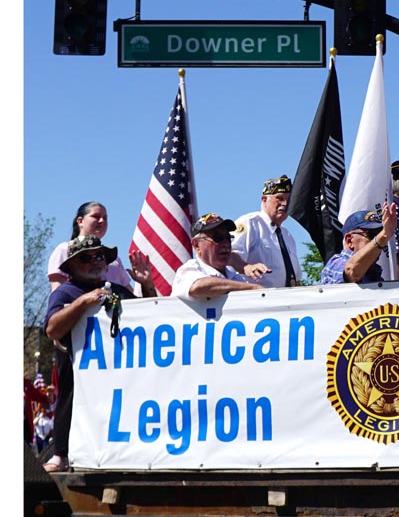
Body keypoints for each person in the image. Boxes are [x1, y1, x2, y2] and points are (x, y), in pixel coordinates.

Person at [43, 235, 152, 472]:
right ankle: (61, 453)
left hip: (119, 371)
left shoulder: (118, 290)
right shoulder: (65, 293)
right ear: (71, 265)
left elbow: (151, 319)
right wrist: (82, 303)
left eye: (99, 256)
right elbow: (52, 328)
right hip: (78, 371)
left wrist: (147, 285)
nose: (94, 261)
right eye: (85, 258)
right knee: (71, 400)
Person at [47, 201, 152, 293]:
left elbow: (131, 302)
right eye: (96, 216)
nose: (102, 221)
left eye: (105, 218)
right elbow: (59, 297)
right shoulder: (64, 250)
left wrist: (146, 283)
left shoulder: (115, 260)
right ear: (80, 221)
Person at [230, 175, 301, 288]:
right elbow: (230, 255)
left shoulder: (287, 236)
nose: (285, 204)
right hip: (256, 300)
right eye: (280, 198)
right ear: (264, 199)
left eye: (289, 200)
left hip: (287, 301)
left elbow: (296, 279)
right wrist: (247, 267)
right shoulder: (249, 223)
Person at [171, 213, 265, 300]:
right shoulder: (190, 269)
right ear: (196, 245)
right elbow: (198, 287)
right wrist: (253, 288)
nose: (226, 244)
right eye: (218, 238)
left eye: (228, 238)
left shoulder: (235, 278)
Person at [320, 204, 398, 284]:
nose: (380, 243)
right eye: (372, 236)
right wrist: (383, 236)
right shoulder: (336, 263)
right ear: (349, 240)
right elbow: (351, 272)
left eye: (378, 236)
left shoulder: (374, 274)